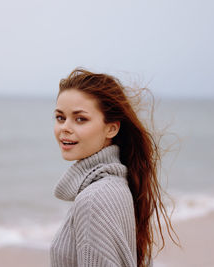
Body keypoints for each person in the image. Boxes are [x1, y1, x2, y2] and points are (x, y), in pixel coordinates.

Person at [50, 68, 177, 267]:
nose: (65, 127)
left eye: (80, 119)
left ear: (112, 128)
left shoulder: (94, 200)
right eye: (60, 117)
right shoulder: (117, 186)